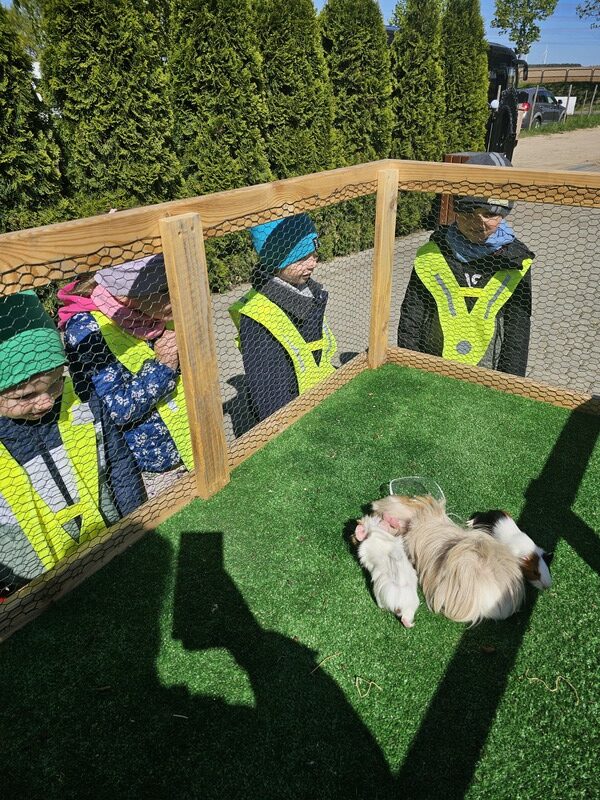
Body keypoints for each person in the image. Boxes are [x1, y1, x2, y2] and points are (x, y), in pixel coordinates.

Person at [0, 291, 146, 597]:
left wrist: (137, 524)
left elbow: (120, 465)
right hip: (30, 581)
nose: (45, 401)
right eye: (25, 396)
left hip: (108, 540)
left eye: (56, 381)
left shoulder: (81, 399)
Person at [58, 255, 193, 495]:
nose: (177, 296)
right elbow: (114, 411)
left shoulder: (152, 314)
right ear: (124, 297)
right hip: (152, 471)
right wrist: (163, 366)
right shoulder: (87, 330)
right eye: (164, 291)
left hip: (190, 444)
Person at [397, 152, 534, 377]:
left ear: (503, 214)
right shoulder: (434, 254)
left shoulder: (515, 261)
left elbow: (517, 330)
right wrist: (409, 368)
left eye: (489, 214)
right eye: (469, 212)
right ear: (456, 208)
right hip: (432, 364)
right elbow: (412, 315)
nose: (478, 223)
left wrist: (511, 382)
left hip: (487, 370)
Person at [229, 213, 337, 421]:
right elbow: (270, 398)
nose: (312, 263)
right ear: (277, 261)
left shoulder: (309, 292)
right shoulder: (258, 317)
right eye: (302, 258)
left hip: (322, 402)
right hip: (296, 420)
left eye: (314, 254)